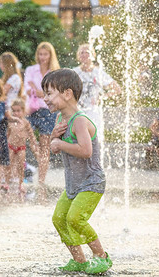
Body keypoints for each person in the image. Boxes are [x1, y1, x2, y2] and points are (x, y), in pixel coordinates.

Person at [42, 68, 112, 274]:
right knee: (59, 218)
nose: (45, 98)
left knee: (75, 218)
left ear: (67, 94)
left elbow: (85, 151)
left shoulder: (80, 121)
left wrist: (59, 144)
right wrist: (54, 140)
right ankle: (79, 260)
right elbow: (56, 148)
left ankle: (101, 256)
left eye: (49, 93)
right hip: (74, 183)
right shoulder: (60, 121)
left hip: (91, 181)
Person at [24, 42, 60, 198]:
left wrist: (39, 91)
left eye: (45, 54)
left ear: (50, 55)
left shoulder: (55, 72)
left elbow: (55, 93)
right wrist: (42, 92)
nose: (42, 57)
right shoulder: (31, 70)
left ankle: (41, 180)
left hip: (48, 111)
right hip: (32, 110)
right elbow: (27, 89)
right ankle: (39, 162)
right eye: (40, 54)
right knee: (28, 140)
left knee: (45, 145)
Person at [73, 43, 122, 145]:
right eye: (82, 52)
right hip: (77, 111)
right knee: (78, 140)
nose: (84, 55)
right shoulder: (74, 72)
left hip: (93, 112)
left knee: (95, 141)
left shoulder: (98, 73)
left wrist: (102, 97)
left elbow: (117, 89)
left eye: (87, 52)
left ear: (93, 55)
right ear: (78, 56)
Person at [6, 98, 39, 201]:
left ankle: (21, 183)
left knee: (21, 165)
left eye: (18, 111)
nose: (16, 113)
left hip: (21, 148)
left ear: (23, 111)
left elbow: (31, 134)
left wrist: (34, 142)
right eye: (14, 111)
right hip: (11, 146)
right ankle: (7, 182)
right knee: (9, 165)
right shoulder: (10, 122)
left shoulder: (25, 123)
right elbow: (7, 134)